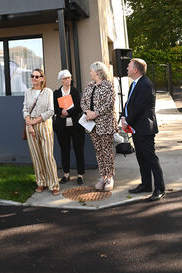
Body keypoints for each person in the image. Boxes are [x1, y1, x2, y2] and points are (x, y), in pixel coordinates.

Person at [121, 58, 165, 202]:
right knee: (141, 158)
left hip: (145, 129)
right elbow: (129, 104)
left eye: (129, 66)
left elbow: (139, 107)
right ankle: (146, 184)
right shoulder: (135, 84)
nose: (126, 68)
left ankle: (159, 189)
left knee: (150, 158)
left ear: (135, 69)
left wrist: (127, 120)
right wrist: (123, 116)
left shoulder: (145, 84)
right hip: (136, 128)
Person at [80, 61, 117, 191]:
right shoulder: (89, 86)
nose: (90, 73)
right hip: (92, 125)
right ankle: (103, 176)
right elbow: (83, 101)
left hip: (105, 124)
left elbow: (109, 104)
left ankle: (110, 177)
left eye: (91, 70)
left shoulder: (108, 86)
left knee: (107, 151)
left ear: (97, 72)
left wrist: (95, 113)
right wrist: (87, 112)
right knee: (98, 151)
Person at [23, 68, 60, 195]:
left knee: (48, 155)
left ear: (42, 78)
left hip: (44, 125)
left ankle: (53, 184)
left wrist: (34, 121)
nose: (34, 78)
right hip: (31, 126)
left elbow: (51, 111)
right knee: (36, 155)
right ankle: (41, 182)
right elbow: (25, 109)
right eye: (32, 76)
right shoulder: (27, 92)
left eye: (37, 76)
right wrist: (29, 122)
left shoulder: (48, 92)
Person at [53, 69, 84, 185]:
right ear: (61, 80)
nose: (68, 80)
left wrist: (68, 112)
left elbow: (79, 107)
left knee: (78, 149)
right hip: (62, 126)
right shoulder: (56, 93)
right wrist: (61, 111)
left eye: (69, 77)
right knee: (64, 150)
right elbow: (54, 107)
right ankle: (66, 174)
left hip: (76, 126)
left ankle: (80, 174)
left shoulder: (75, 92)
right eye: (65, 78)